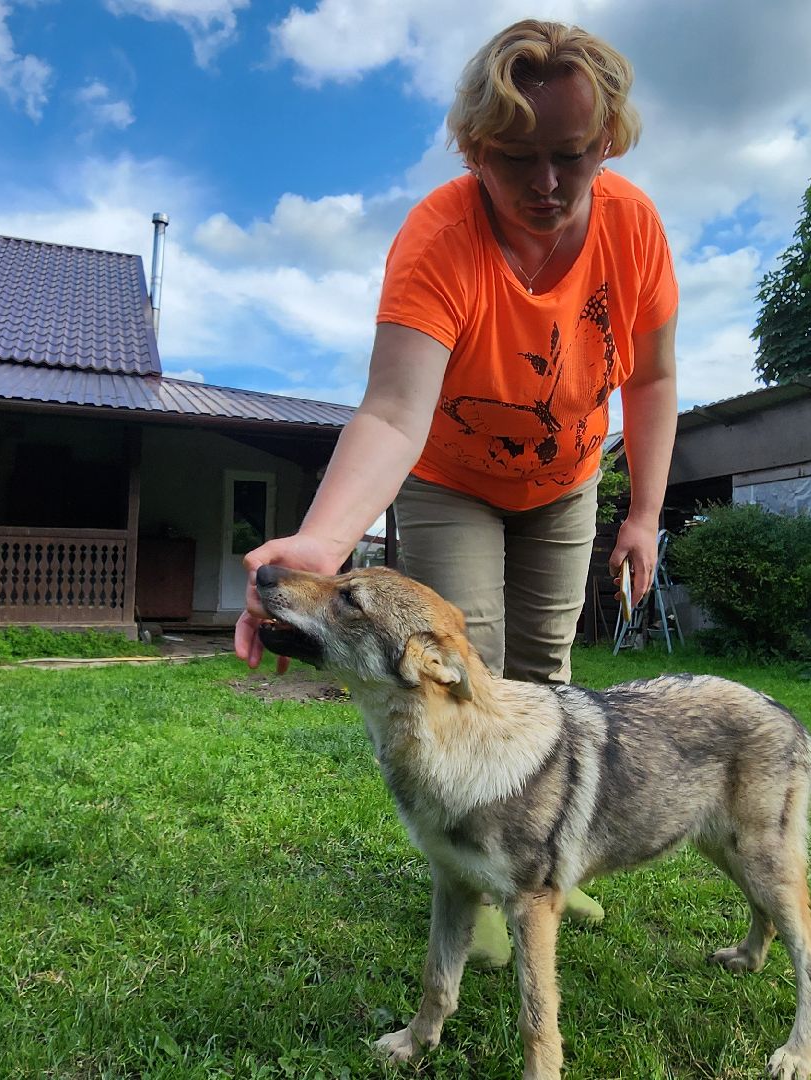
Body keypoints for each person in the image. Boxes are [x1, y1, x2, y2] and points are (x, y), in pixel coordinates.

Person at [237, 18, 679, 963]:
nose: (548, 184)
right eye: (518, 158)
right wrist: (322, 542)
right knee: (464, 666)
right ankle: (473, 882)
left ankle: (543, 865)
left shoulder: (633, 227)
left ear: (606, 141)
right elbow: (395, 412)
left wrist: (642, 511)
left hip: (566, 479)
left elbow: (649, 380)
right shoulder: (439, 236)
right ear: (477, 150)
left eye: (572, 155)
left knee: (548, 681)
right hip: (450, 476)